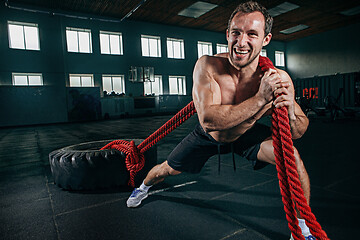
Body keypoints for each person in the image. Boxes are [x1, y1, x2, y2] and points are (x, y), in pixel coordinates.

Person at [127, 1, 315, 239]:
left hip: (245, 135)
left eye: (252, 34)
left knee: (293, 160)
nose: (241, 42)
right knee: (165, 169)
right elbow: (208, 120)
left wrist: (288, 108)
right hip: (208, 136)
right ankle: (142, 188)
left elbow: (298, 131)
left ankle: (303, 228)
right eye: (236, 32)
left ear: (265, 40)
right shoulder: (208, 66)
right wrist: (260, 100)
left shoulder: (275, 78)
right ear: (227, 34)